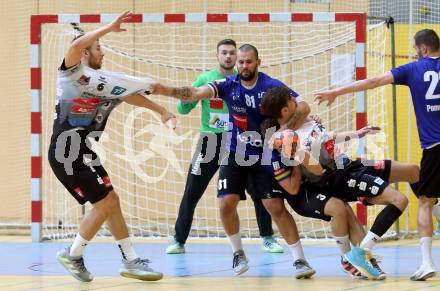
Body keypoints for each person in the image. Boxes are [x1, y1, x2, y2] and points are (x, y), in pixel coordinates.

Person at [49, 11, 181, 282]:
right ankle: (74, 254)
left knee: (112, 201)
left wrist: (161, 111)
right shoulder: (72, 73)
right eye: (99, 48)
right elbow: (75, 45)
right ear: (86, 52)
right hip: (67, 152)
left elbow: (131, 96)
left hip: (84, 151)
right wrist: (109, 27)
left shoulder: (104, 82)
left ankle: (131, 260)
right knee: (105, 203)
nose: (103, 53)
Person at [166, 44, 315, 278]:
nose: (244, 66)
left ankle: (300, 260)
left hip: (265, 155)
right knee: (226, 203)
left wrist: (283, 130)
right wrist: (163, 90)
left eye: (248, 61)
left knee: (275, 207)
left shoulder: (271, 85)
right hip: (236, 153)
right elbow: (195, 94)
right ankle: (238, 253)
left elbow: (304, 106)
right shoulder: (228, 85)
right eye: (241, 62)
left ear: (258, 62)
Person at [315, 28, 439, 281]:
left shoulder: (413, 69)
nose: (416, 54)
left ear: (423, 49)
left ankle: (426, 262)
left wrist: (336, 92)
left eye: (417, 51)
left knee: (425, 201)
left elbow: (372, 82)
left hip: (435, 146)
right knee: (416, 176)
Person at [261, 86, 412, 279]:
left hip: (344, 167)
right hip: (329, 179)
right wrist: (299, 155)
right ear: (285, 110)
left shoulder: (305, 123)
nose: (297, 102)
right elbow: (315, 173)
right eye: (292, 101)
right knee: (352, 206)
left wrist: (356, 134)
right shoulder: (283, 142)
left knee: (350, 210)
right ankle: (350, 257)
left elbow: (328, 138)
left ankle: (365, 260)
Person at [166, 39, 282, 255]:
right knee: (192, 190)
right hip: (210, 141)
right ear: (217, 56)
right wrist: (184, 100)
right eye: (224, 53)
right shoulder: (206, 79)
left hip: (239, 143)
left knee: (258, 190)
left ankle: (267, 238)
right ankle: (178, 240)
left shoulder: (245, 81)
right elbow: (184, 108)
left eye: (231, 53)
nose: (228, 57)